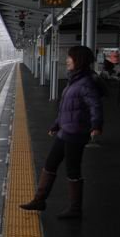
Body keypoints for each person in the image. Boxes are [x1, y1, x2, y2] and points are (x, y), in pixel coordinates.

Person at [20, 45, 103, 219]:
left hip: (76, 133)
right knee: (50, 164)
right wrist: (56, 124)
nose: (67, 60)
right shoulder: (74, 80)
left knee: (72, 170)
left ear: (78, 60)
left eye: (70, 57)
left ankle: (75, 209)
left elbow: (95, 105)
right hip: (65, 131)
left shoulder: (85, 82)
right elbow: (66, 109)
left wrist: (96, 125)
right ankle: (39, 200)